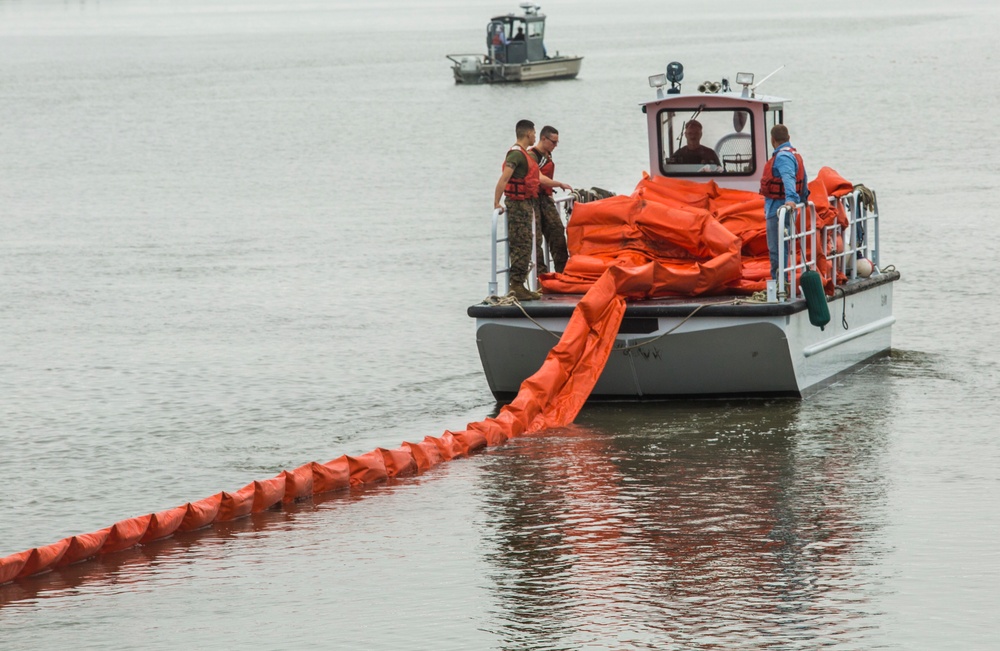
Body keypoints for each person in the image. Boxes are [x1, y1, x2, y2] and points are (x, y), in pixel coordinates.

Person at [494, 119, 542, 301]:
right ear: (528, 134)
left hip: (525, 204)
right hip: (517, 205)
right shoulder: (516, 155)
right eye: (534, 133)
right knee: (520, 244)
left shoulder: (525, 155)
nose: (535, 136)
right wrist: (496, 202)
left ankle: (520, 284)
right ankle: (516, 285)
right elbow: (504, 179)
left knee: (527, 243)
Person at [759, 124, 809, 280]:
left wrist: (790, 200)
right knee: (782, 246)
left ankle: (779, 283)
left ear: (772, 140)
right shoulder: (794, 155)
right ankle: (782, 281)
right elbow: (804, 179)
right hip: (782, 208)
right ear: (788, 138)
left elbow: (788, 178)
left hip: (777, 210)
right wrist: (804, 199)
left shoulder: (782, 157)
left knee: (776, 248)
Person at [528, 126, 572, 274]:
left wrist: (551, 197)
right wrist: (559, 184)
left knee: (557, 232)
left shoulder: (548, 155)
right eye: (553, 142)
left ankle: (563, 272)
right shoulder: (532, 156)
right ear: (543, 139)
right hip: (533, 200)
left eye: (557, 143)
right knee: (536, 238)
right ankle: (541, 276)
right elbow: (538, 177)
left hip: (546, 200)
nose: (555, 146)